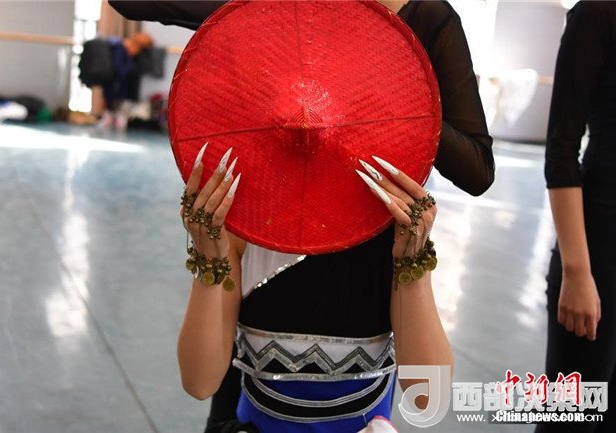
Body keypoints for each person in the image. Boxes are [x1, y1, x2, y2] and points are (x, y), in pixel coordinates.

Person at [109, 1, 495, 431]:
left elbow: (428, 394)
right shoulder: (245, 221)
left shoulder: (389, 226)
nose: (308, 123)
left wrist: (413, 264)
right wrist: (210, 259)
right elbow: (199, 381)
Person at [537, 2, 616, 432]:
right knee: (570, 418)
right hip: (599, 249)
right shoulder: (598, 13)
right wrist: (577, 271)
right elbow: (561, 150)